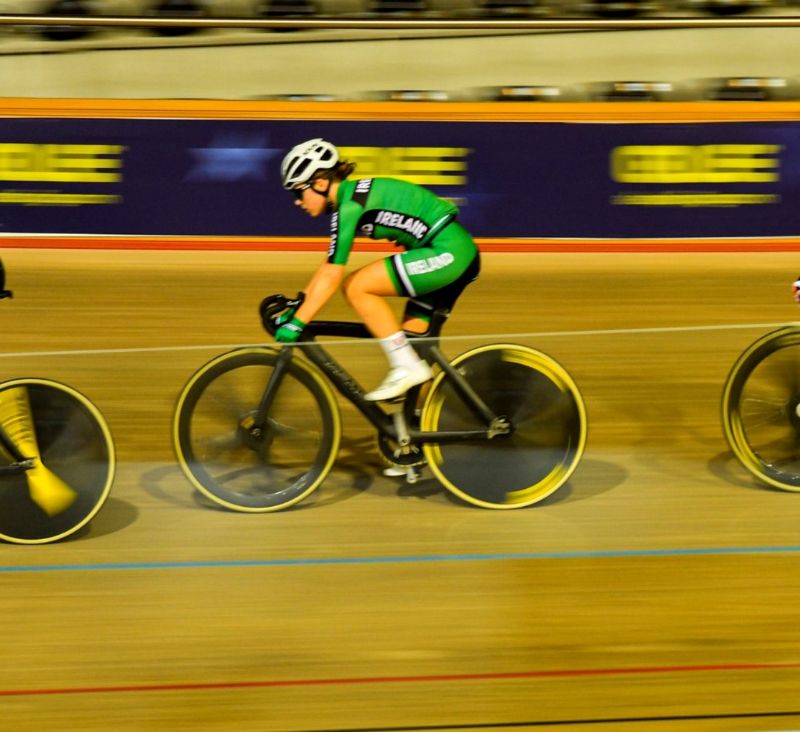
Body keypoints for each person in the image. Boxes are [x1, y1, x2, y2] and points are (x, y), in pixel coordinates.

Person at [274, 138, 480, 402]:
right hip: (452, 253)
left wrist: (298, 322)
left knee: (356, 286)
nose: (297, 202)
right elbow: (326, 268)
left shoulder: (350, 206)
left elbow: (332, 273)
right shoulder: (352, 198)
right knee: (414, 345)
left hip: (448, 252)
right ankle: (418, 425)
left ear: (320, 183)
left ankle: (406, 367)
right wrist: (298, 306)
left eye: (297, 192)